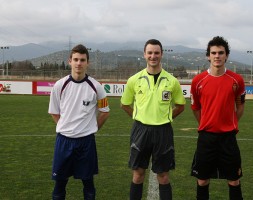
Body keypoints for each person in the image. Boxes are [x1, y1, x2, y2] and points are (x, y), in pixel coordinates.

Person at [121, 39, 186, 200]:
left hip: (163, 131)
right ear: (144, 55)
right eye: (150, 53)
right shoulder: (134, 80)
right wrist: (138, 118)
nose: (153, 56)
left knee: (163, 175)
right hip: (140, 130)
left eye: (156, 53)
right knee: (138, 174)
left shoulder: (172, 81)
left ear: (161, 54)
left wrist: (167, 117)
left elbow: (180, 105)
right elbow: (125, 104)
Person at [48, 44, 110, 200]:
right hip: (64, 141)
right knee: (59, 184)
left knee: (88, 184)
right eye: (75, 59)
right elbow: (54, 112)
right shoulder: (59, 86)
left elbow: (105, 112)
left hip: (86, 142)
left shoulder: (97, 87)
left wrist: (93, 128)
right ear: (70, 61)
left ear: (87, 62)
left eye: (82, 60)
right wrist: (65, 126)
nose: (79, 63)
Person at [190, 36, 246, 200]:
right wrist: (206, 123)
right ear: (208, 56)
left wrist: (231, 122)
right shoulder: (198, 81)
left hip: (228, 137)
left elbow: (240, 106)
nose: (217, 56)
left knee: (234, 180)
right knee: (202, 180)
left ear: (226, 55)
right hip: (206, 137)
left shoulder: (237, 80)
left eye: (221, 53)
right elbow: (195, 108)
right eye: (213, 53)